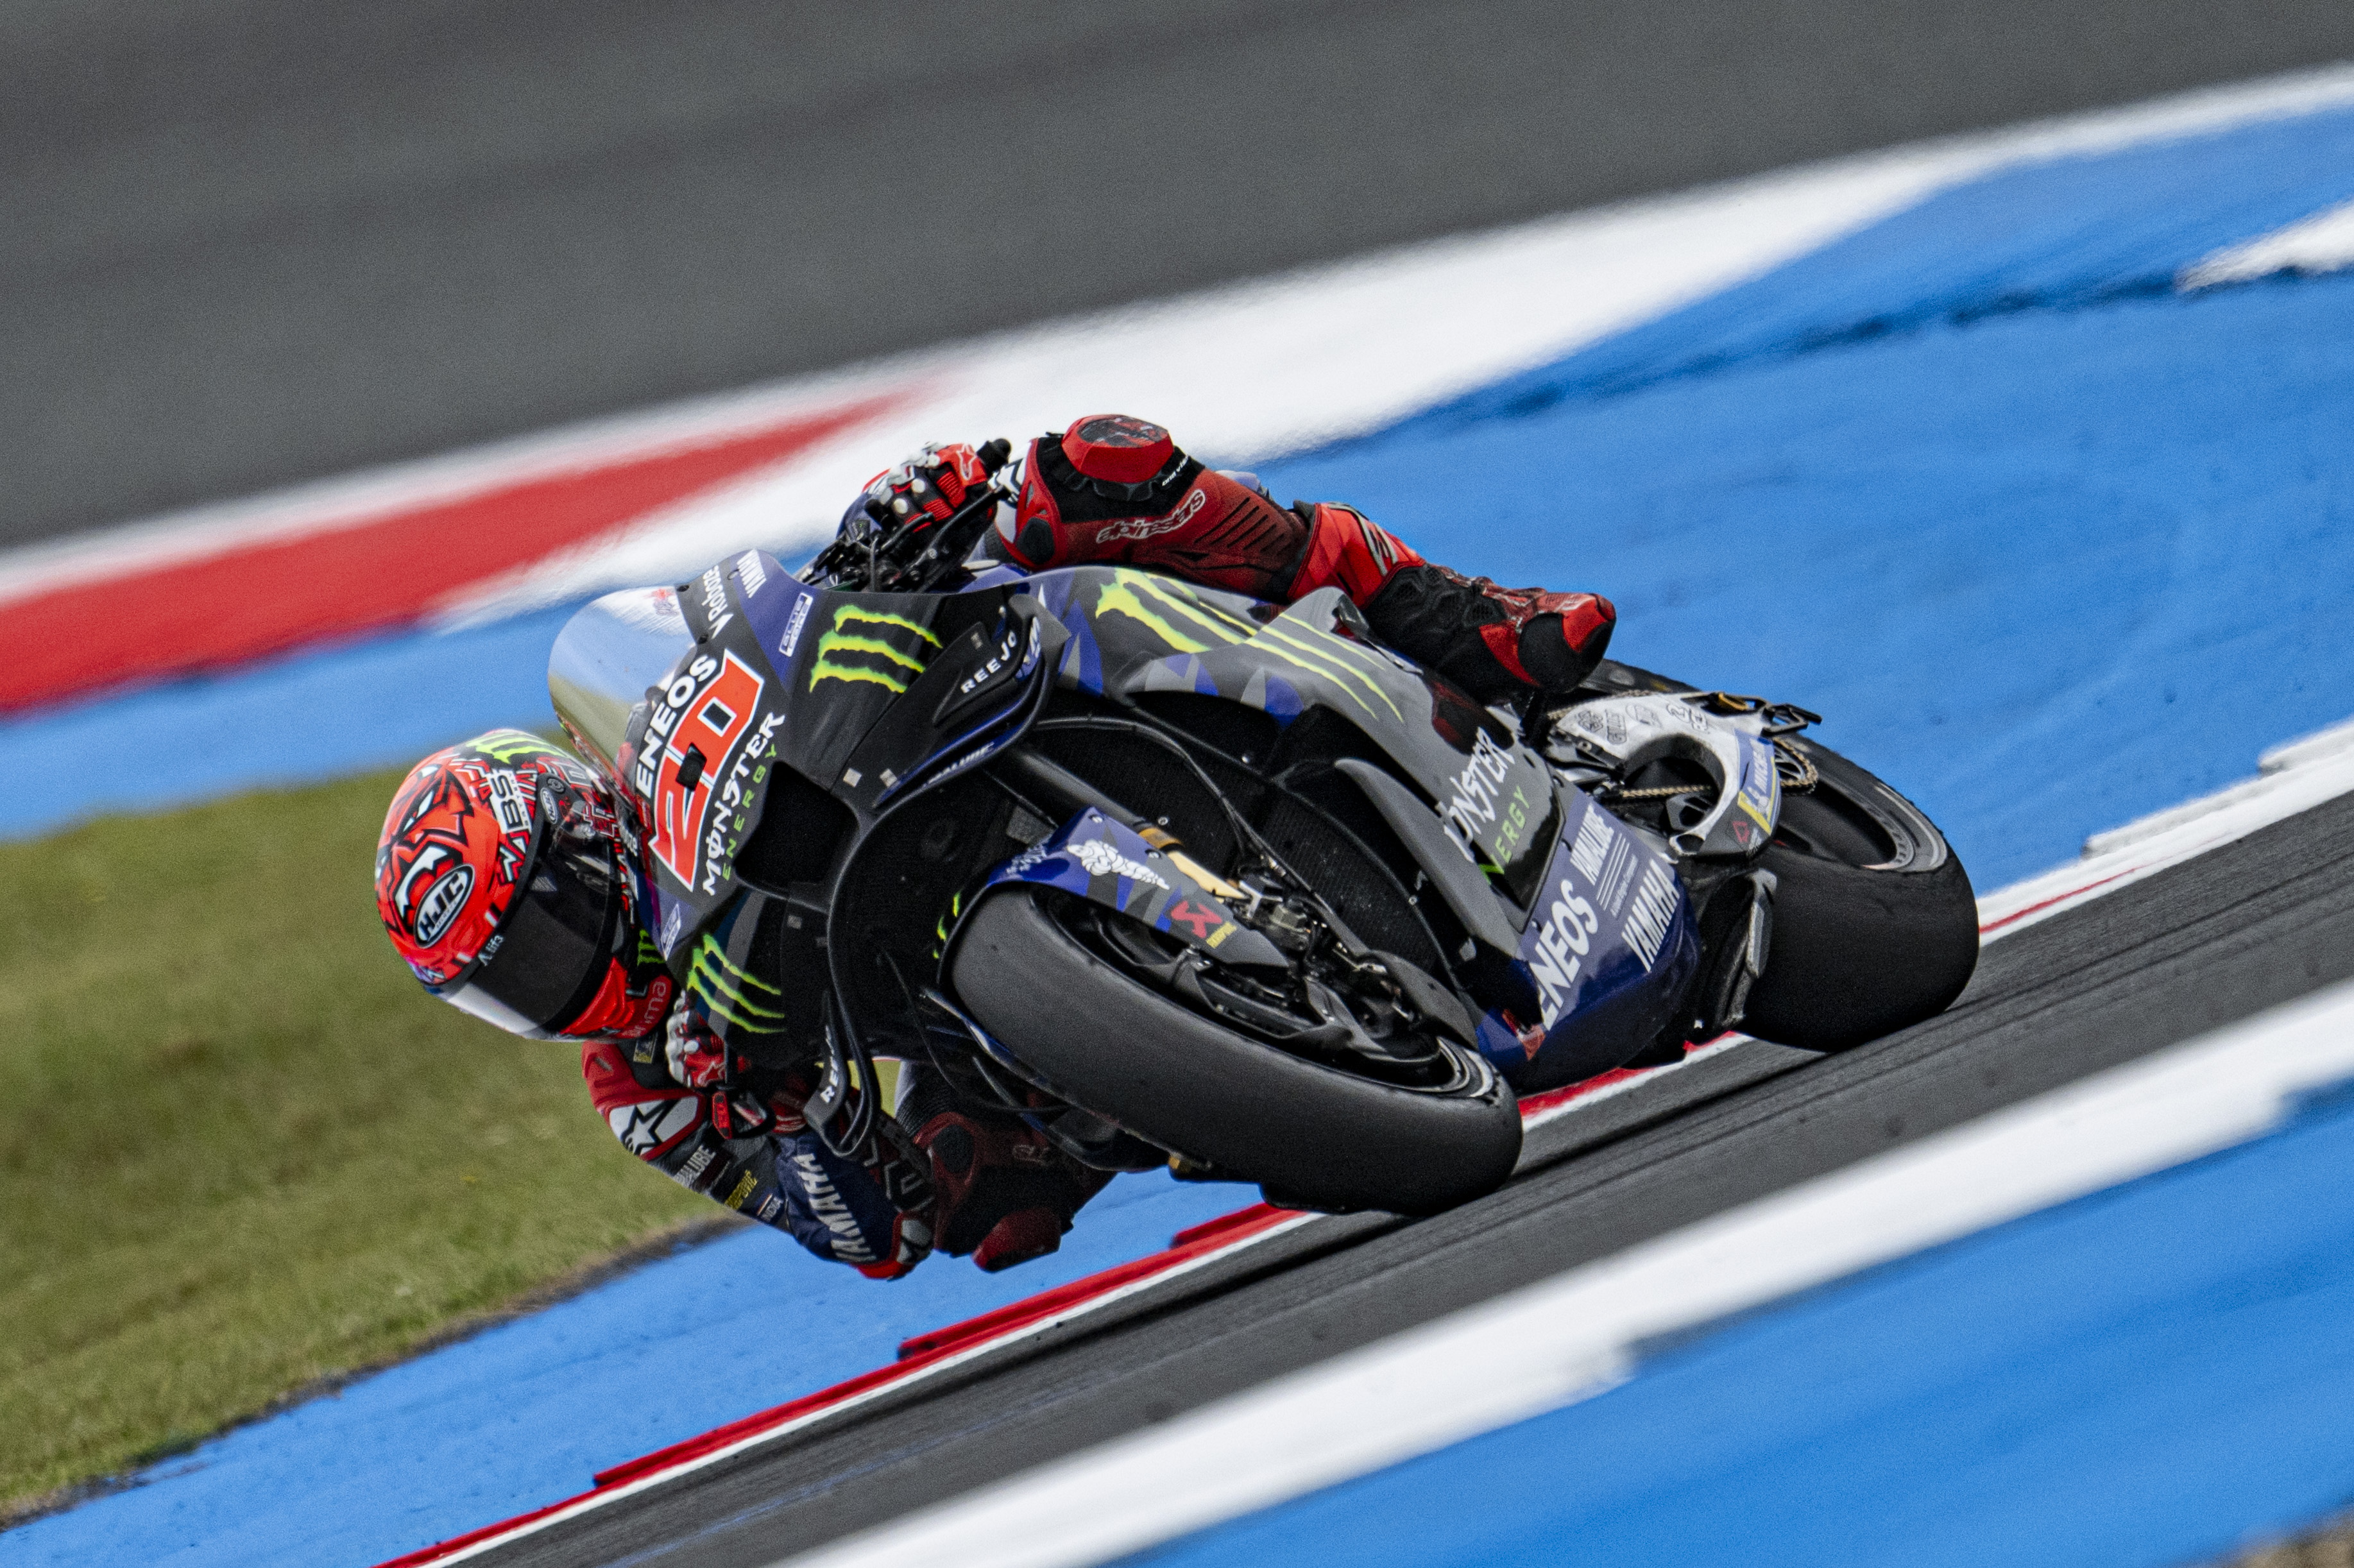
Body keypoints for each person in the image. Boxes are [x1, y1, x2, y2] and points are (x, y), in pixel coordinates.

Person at [372, 415, 1616, 1283]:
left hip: (923, 737)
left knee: (1086, 473)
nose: (561, 974)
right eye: (514, 984)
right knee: (977, 1198)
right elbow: (869, 1236)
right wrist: (794, 1120)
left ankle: (1452, 611)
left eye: (549, 924)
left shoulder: (666, 743)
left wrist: (884, 533)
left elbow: (764, 633)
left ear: (584, 818)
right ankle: (1247, 1064)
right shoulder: (649, 1094)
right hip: (947, 1022)